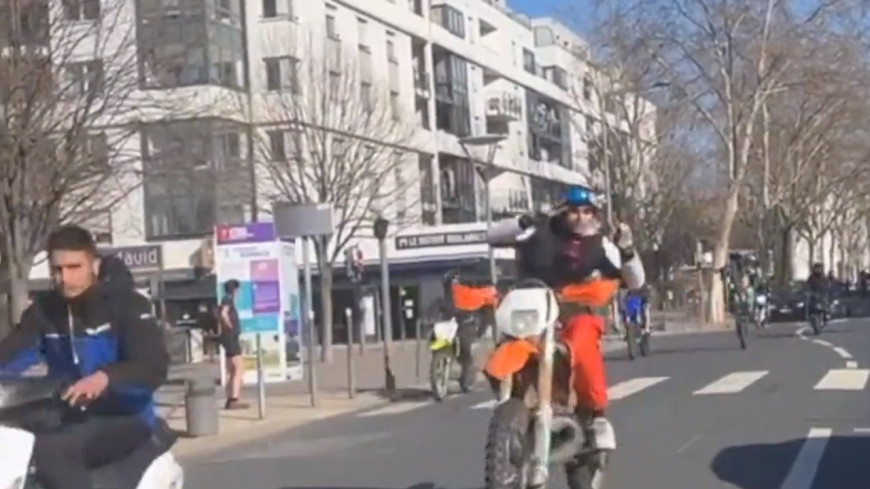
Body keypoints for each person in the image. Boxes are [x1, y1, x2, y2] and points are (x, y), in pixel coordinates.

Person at [0, 225, 168, 489]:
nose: (64, 278)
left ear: (94, 265)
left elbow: (152, 366)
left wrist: (105, 379)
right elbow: (11, 354)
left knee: (52, 451)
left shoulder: (127, 305)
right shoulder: (43, 311)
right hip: (67, 412)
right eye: (57, 270)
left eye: (74, 267)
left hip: (125, 416)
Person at [486, 185, 645, 451]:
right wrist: (522, 221)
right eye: (574, 211)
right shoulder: (538, 230)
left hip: (574, 312)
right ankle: (514, 408)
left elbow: (635, 281)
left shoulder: (600, 244)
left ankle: (594, 416)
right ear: (562, 211)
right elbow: (492, 236)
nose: (581, 217)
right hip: (530, 311)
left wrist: (627, 250)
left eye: (587, 212)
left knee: (583, 341)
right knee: (506, 350)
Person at [219, 279, 248, 409]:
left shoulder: (227, 299)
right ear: (235, 289)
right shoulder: (228, 299)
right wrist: (230, 325)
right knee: (238, 369)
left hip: (228, 337)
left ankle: (230, 398)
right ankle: (234, 399)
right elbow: (223, 313)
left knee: (233, 369)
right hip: (230, 337)